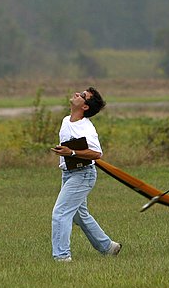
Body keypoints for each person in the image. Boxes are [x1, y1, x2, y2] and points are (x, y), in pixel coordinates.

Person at [50, 87, 121, 262]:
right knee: (79, 215)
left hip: (83, 175)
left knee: (61, 213)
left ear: (85, 107)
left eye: (82, 96)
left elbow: (97, 154)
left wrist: (71, 153)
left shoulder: (86, 129)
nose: (77, 94)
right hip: (68, 173)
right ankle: (108, 247)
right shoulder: (67, 120)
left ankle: (62, 256)